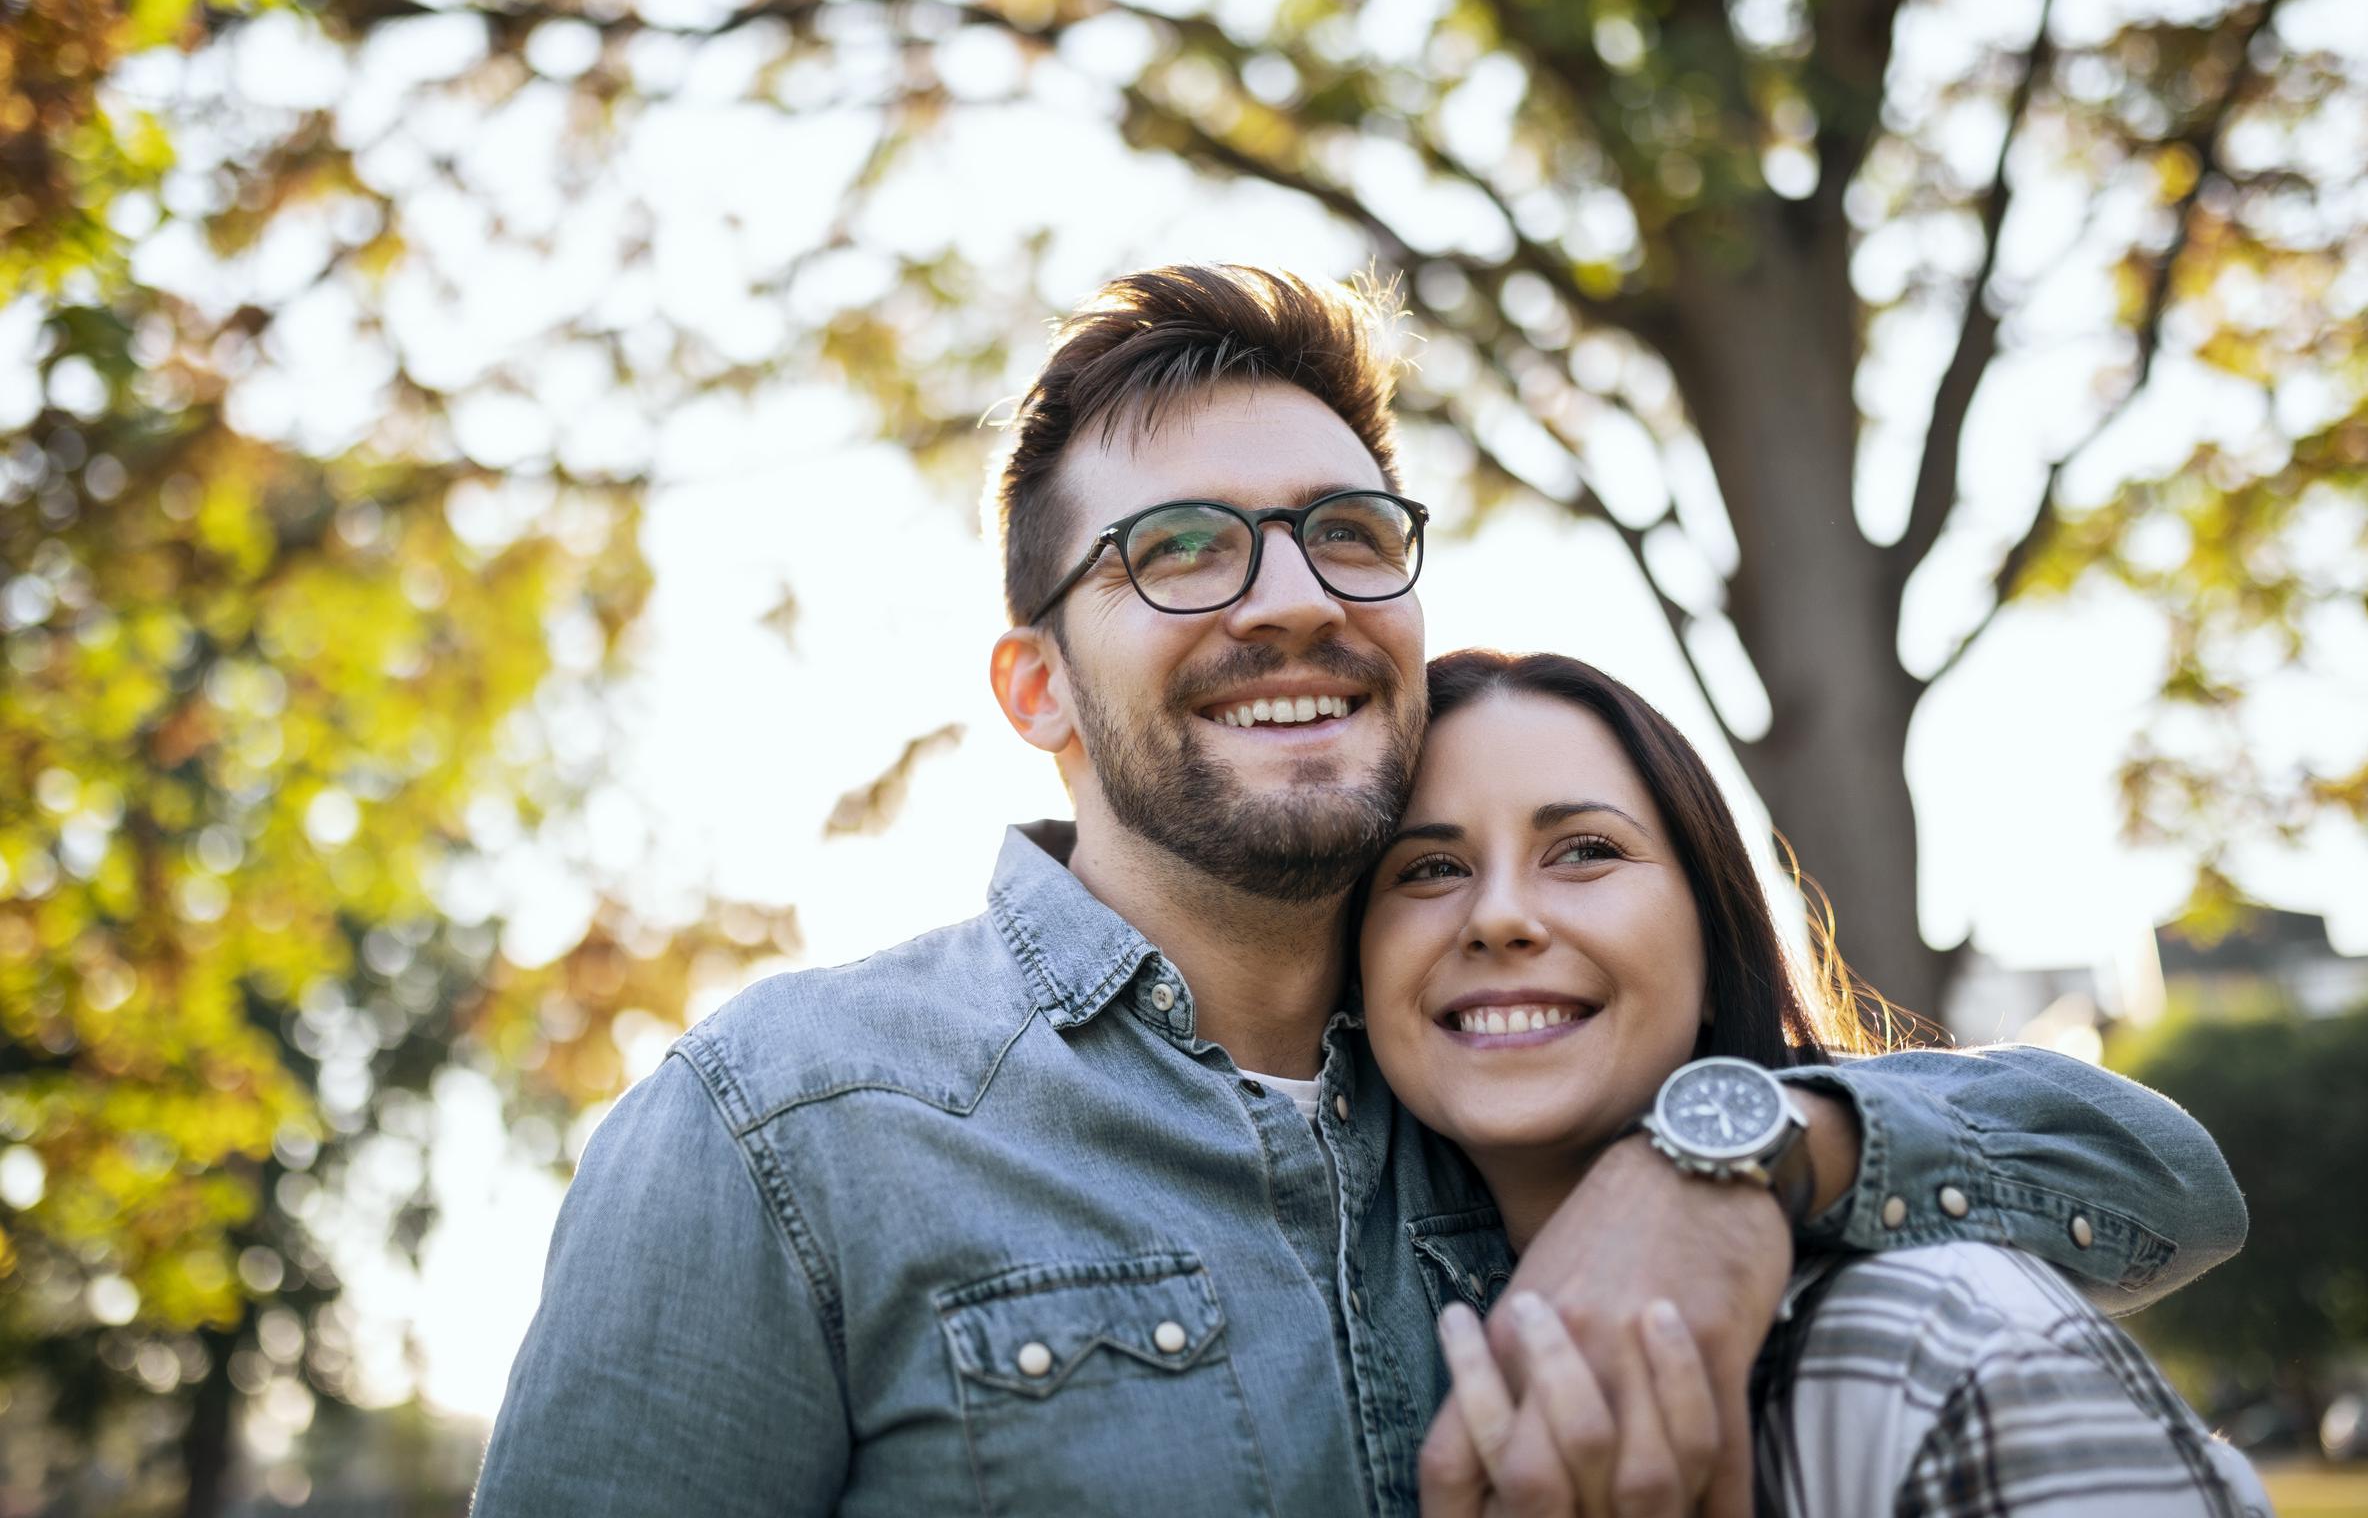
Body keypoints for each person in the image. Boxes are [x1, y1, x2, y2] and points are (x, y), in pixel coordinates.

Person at [470, 265, 2247, 1517]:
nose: (1289, 597)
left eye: (1349, 532)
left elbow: (2158, 1182)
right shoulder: (790, 1128)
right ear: (1038, 695)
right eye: (1177, 550)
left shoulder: (1505, 1101)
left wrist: (1735, 1158)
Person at [1361, 649, 2269, 1516]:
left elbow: (2181, 1174)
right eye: (1431, 867)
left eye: (1586, 850)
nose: (1502, 917)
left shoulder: (1943, 1340)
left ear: (1715, 950)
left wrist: (1718, 1159)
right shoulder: (1334, 1310)